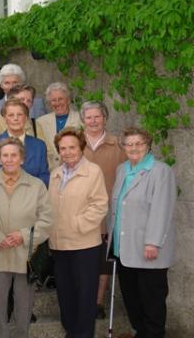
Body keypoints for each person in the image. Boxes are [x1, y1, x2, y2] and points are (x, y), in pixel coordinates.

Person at [107, 127, 176, 338]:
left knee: (152, 301)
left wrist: (153, 243)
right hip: (124, 249)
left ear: (148, 145)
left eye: (139, 143)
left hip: (148, 249)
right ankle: (141, 333)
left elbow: (162, 208)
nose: (134, 148)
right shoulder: (122, 169)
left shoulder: (161, 171)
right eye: (129, 144)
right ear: (123, 147)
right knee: (132, 299)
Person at [0, 137, 52, 338]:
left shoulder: (37, 185)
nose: (9, 159)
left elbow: (47, 220)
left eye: (14, 155)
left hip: (26, 256)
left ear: (22, 158)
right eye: (5, 155)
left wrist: (23, 236)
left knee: (24, 309)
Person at [49, 127, 108, 338]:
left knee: (85, 295)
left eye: (71, 147)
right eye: (62, 148)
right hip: (59, 245)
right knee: (65, 294)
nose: (67, 152)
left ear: (81, 147)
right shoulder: (55, 174)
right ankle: (71, 332)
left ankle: (83, 335)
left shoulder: (93, 171)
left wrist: (77, 224)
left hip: (85, 245)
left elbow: (100, 205)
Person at [80, 101, 127, 319]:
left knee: (103, 262)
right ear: (83, 120)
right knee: (83, 260)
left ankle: (97, 302)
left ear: (105, 118)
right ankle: (81, 299)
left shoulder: (118, 144)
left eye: (97, 116)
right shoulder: (74, 142)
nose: (93, 121)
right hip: (80, 213)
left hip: (108, 213)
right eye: (89, 117)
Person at [0, 99, 49, 186]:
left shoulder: (39, 145)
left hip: (32, 196)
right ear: (4, 119)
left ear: (26, 118)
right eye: (11, 115)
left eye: (19, 115)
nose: (15, 118)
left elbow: (44, 176)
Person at [37, 82, 83, 170]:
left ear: (68, 100)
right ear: (49, 103)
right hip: (49, 171)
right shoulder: (40, 122)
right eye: (53, 100)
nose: (57, 103)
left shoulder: (81, 120)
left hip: (75, 169)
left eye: (61, 99)